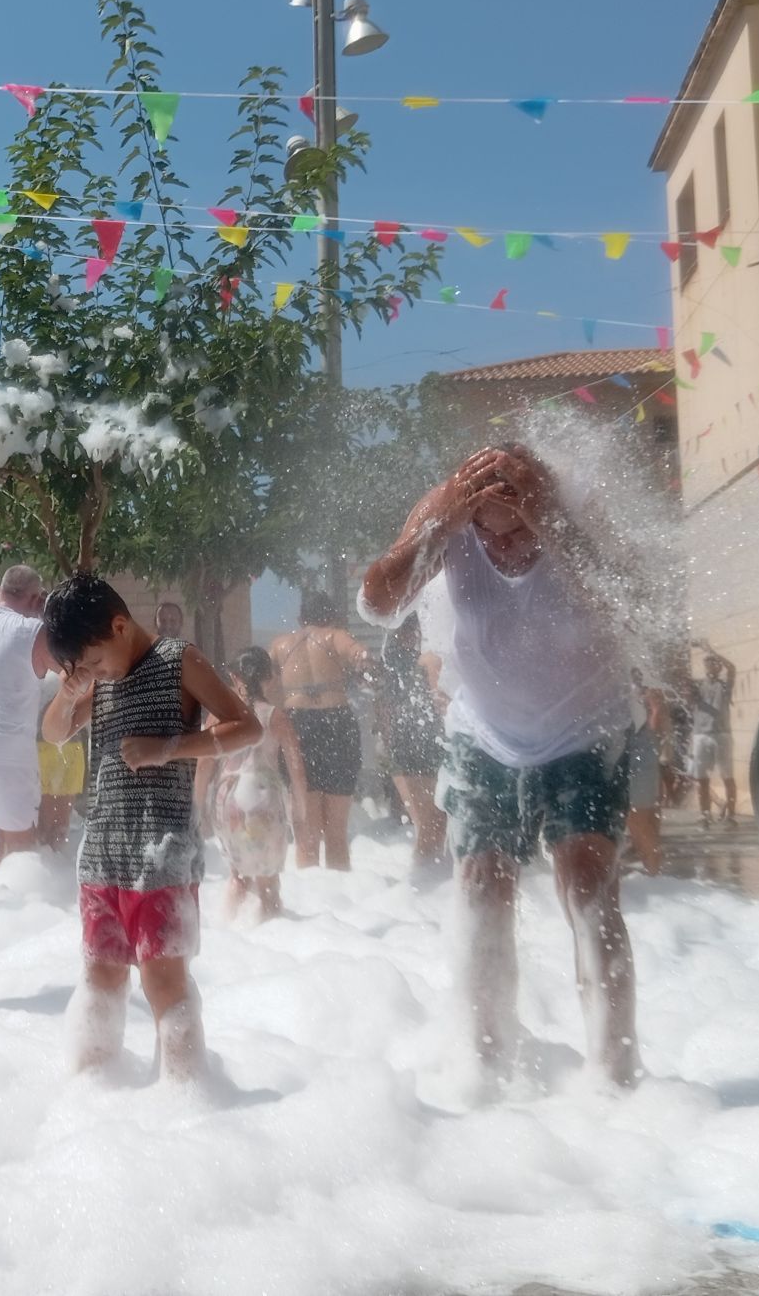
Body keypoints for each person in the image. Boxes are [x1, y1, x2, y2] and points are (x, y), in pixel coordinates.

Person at [361, 445, 641, 1087]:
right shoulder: (446, 517)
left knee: (588, 890)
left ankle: (614, 1072)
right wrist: (438, 524)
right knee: (483, 890)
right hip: (483, 732)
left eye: (519, 526)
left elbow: (634, 603)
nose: (507, 546)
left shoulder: (571, 512)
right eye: (491, 528)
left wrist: (553, 523)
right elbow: (379, 601)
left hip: (585, 726)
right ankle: (484, 1065)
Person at [39, 572, 260, 1082]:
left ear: (120, 626)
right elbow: (54, 735)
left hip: (162, 853)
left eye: (94, 660)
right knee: (100, 978)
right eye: (85, 668)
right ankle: (92, 1093)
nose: (95, 671)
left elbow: (247, 726)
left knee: (163, 982)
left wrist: (169, 749)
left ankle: (186, 1099)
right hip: (103, 853)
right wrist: (69, 694)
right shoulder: (102, 680)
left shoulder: (176, 659)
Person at [196, 646, 300, 920]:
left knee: (238, 877)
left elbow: (204, 764)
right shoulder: (275, 716)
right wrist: (300, 806)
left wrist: (198, 808)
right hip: (265, 798)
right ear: (269, 677)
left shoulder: (218, 716)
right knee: (268, 882)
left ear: (233, 676)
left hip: (228, 799)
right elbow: (296, 766)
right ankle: (271, 935)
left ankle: (228, 934)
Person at [270, 590, 368, 869]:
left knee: (306, 834)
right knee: (336, 832)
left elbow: (261, 680)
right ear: (331, 616)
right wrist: (365, 663)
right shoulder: (334, 635)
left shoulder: (280, 645)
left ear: (301, 617)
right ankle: (341, 902)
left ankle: (313, 902)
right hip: (337, 724)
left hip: (297, 727)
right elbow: (357, 652)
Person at [0, 565, 48, 865]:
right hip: (13, 750)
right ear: (36, 600)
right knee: (18, 851)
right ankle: (20, 908)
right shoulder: (33, 631)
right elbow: (73, 674)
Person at [376, 615, 448, 875]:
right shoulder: (428, 659)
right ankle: (427, 885)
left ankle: (424, 886)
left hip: (403, 746)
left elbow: (384, 707)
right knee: (434, 824)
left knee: (427, 824)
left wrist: (388, 746)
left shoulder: (393, 663)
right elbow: (442, 703)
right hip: (424, 746)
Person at [625, 670, 668, 875]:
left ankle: (653, 871)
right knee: (642, 816)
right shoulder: (635, 691)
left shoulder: (646, 691)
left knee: (638, 817)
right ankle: (653, 870)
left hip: (640, 751)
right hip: (637, 751)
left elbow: (658, 715)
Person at [36, 673, 85, 854]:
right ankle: (46, 872)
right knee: (49, 824)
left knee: (59, 825)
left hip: (69, 742)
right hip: (46, 741)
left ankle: (53, 873)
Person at [689, 648, 737, 826]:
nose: (710, 664)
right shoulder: (698, 685)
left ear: (718, 665)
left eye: (714, 661)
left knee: (727, 776)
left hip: (722, 734)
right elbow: (687, 692)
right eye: (707, 662)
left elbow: (732, 668)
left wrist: (711, 650)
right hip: (701, 734)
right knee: (701, 777)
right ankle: (704, 813)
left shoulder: (724, 685)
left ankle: (730, 815)